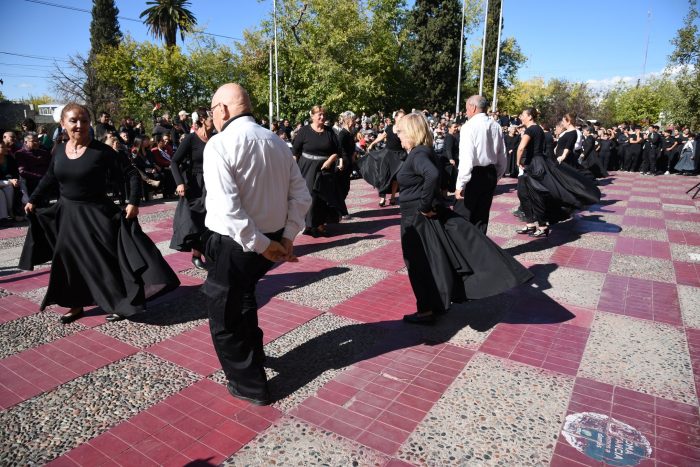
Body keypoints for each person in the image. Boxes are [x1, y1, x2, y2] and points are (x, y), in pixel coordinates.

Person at [19, 103, 180, 323]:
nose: (79, 125)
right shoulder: (58, 151)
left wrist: (133, 202)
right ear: (63, 123)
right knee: (68, 260)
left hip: (98, 215)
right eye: (74, 120)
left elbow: (131, 174)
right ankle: (75, 305)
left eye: (84, 120)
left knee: (106, 261)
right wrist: (34, 199)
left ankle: (121, 304)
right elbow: (50, 177)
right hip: (67, 215)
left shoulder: (102, 152)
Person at [202, 83, 311, 405]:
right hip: (269, 240)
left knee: (225, 313)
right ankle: (256, 356)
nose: (212, 118)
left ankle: (250, 385)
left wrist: (262, 243)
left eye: (212, 111)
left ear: (222, 109)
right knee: (244, 299)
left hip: (239, 244)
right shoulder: (277, 142)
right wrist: (286, 237)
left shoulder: (220, 144)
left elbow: (228, 208)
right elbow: (302, 196)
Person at [395, 112, 532, 324]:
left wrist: (423, 205)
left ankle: (427, 311)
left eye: (401, 132)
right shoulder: (424, 151)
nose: (399, 136)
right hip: (420, 215)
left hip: (416, 217)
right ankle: (434, 305)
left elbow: (431, 174)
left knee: (419, 264)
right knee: (431, 262)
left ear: (412, 132)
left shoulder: (419, 154)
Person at [516, 108, 601, 238]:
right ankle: (531, 224)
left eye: (522, 114)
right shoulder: (538, 128)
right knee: (525, 194)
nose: (520, 116)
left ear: (529, 116)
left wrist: (517, 162)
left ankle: (542, 226)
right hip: (536, 164)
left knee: (534, 195)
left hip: (532, 165)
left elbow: (521, 147)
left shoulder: (531, 129)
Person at [454, 95, 507, 234]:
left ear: (473, 107)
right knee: (481, 218)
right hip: (490, 173)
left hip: (474, 175)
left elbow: (467, 157)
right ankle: (479, 253)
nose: (466, 112)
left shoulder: (469, 127)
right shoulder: (496, 126)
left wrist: (460, 184)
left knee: (462, 217)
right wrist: (497, 175)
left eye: (466, 108)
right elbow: (502, 155)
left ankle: (462, 253)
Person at [170, 107, 214, 269]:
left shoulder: (216, 138)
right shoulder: (190, 139)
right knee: (195, 221)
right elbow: (174, 162)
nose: (214, 121)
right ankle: (197, 254)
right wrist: (179, 182)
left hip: (213, 182)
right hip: (195, 184)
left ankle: (207, 253)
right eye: (211, 118)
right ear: (202, 120)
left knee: (212, 221)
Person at [293, 105, 346, 237]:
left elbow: (338, 152)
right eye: (319, 114)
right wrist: (292, 169)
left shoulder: (330, 132)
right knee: (309, 196)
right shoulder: (304, 131)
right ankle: (309, 224)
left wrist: (329, 161)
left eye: (323, 114)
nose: (322, 117)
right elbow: (295, 152)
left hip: (325, 169)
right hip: (307, 168)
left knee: (323, 196)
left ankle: (321, 224)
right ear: (312, 116)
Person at [359, 110, 406, 206]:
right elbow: (381, 136)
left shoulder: (406, 129)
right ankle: (382, 198)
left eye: (404, 117)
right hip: (387, 155)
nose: (403, 119)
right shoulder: (389, 128)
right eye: (401, 117)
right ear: (396, 118)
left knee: (395, 178)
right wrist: (372, 143)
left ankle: (393, 198)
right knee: (383, 176)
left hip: (399, 156)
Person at [14, 133, 52, 205]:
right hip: (32, 180)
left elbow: (51, 166)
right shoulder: (20, 154)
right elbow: (23, 172)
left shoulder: (44, 152)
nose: (37, 143)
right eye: (33, 141)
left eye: (37, 140)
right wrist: (40, 176)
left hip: (47, 178)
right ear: (25, 142)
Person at [336, 111, 357, 204]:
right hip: (343, 162)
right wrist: (340, 162)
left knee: (346, 186)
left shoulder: (350, 133)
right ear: (348, 120)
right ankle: (340, 209)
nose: (355, 122)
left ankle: (340, 207)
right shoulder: (342, 134)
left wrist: (353, 157)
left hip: (349, 161)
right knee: (343, 186)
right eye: (353, 120)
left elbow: (351, 148)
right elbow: (339, 148)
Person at [0, 143, 21, 223]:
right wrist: (10, 180)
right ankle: (3, 218)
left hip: (5, 182)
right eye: (2, 147)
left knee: (9, 188)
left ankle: (10, 211)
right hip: (4, 181)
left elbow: (15, 172)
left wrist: (14, 179)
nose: (6, 149)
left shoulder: (9, 158)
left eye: (6, 147)